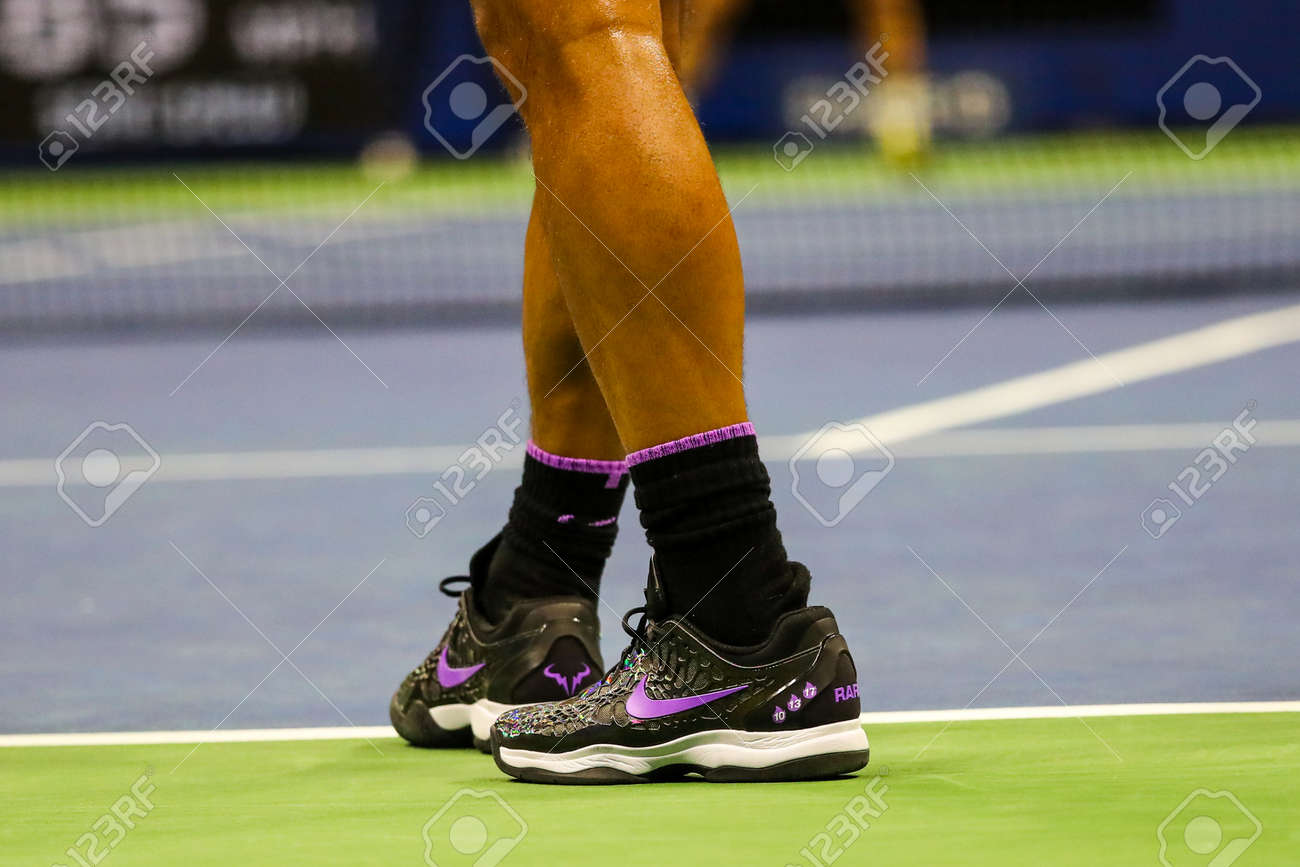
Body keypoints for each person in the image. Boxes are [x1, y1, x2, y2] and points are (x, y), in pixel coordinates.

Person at [390, 0, 869, 783]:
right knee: (582, 54)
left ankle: (733, 617)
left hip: (738, 633)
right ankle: (540, 584)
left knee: (582, 40)